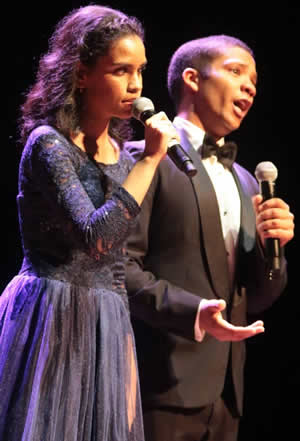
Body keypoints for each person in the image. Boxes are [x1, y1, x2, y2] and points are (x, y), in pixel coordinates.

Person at [0, 5, 180, 440]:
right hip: (52, 316)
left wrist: (123, 350)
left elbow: (116, 263)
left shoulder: (122, 155)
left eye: (139, 70)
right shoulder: (49, 145)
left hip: (107, 319)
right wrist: (152, 158)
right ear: (81, 74)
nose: (136, 85)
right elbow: (96, 237)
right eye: (121, 70)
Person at [125, 35, 294, 441]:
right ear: (192, 79)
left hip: (226, 397)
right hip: (157, 384)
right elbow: (118, 270)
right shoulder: (145, 159)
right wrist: (193, 312)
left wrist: (276, 252)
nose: (250, 86)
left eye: (254, 79)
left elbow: (254, 296)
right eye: (236, 72)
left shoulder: (247, 180)